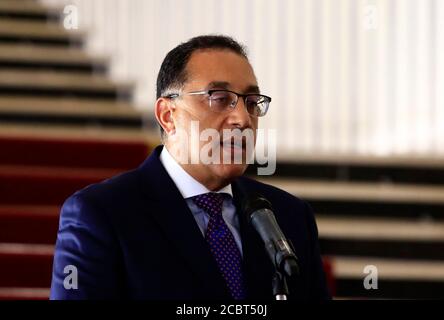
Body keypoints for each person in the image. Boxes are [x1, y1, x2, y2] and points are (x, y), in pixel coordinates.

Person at [50, 35, 330, 300]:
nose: (243, 119)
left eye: (252, 102)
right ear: (168, 115)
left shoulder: (289, 216)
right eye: (220, 99)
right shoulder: (101, 214)